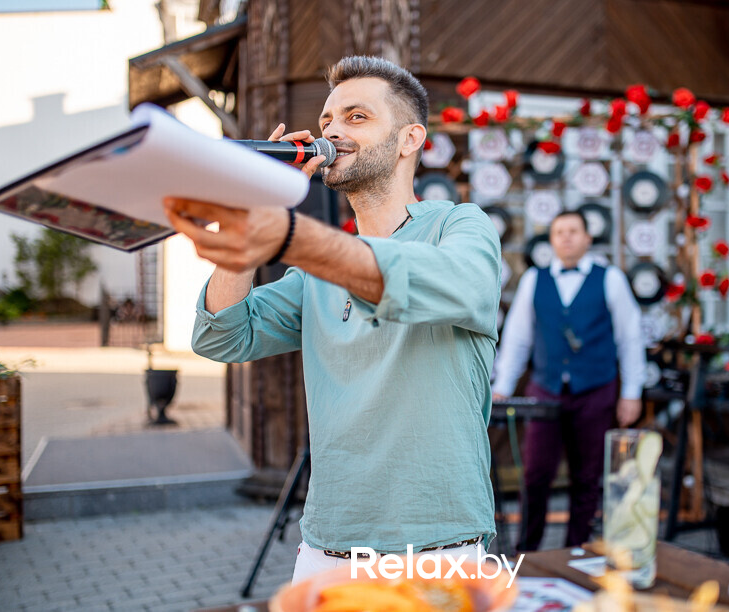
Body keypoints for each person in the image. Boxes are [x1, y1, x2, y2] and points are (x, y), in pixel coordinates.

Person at [162, 56, 502, 583]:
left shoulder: (460, 225)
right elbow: (222, 336)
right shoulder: (318, 266)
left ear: (410, 139)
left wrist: (292, 237)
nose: (333, 131)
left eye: (356, 117)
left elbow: (458, 283)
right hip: (326, 549)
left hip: (439, 549)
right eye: (327, 121)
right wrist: (254, 214)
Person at [491, 210, 645, 550]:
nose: (566, 237)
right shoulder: (534, 278)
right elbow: (518, 338)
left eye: (574, 231)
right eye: (559, 232)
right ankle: (527, 553)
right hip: (544, 392)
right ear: (552, 240)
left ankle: (578, 550)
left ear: (588, 238)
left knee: (587, 477)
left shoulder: (611, 278)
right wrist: (502, 386)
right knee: (536, 475)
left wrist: (632, 392)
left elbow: (630, 338)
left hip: (595, 390)